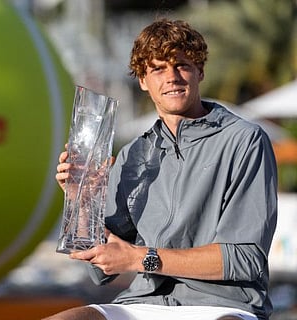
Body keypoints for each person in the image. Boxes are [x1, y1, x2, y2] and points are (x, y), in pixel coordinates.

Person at [48, 18, 278, 320]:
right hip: (143, 303)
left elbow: (245, 259)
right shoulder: (134, 154)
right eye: (157, 68)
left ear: (199, 72)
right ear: (143, 80)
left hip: (225, 306)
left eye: (181, 65)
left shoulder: (245, 141)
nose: (172, 77)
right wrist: (82, 200)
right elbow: (100, 269)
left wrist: (140, 258)